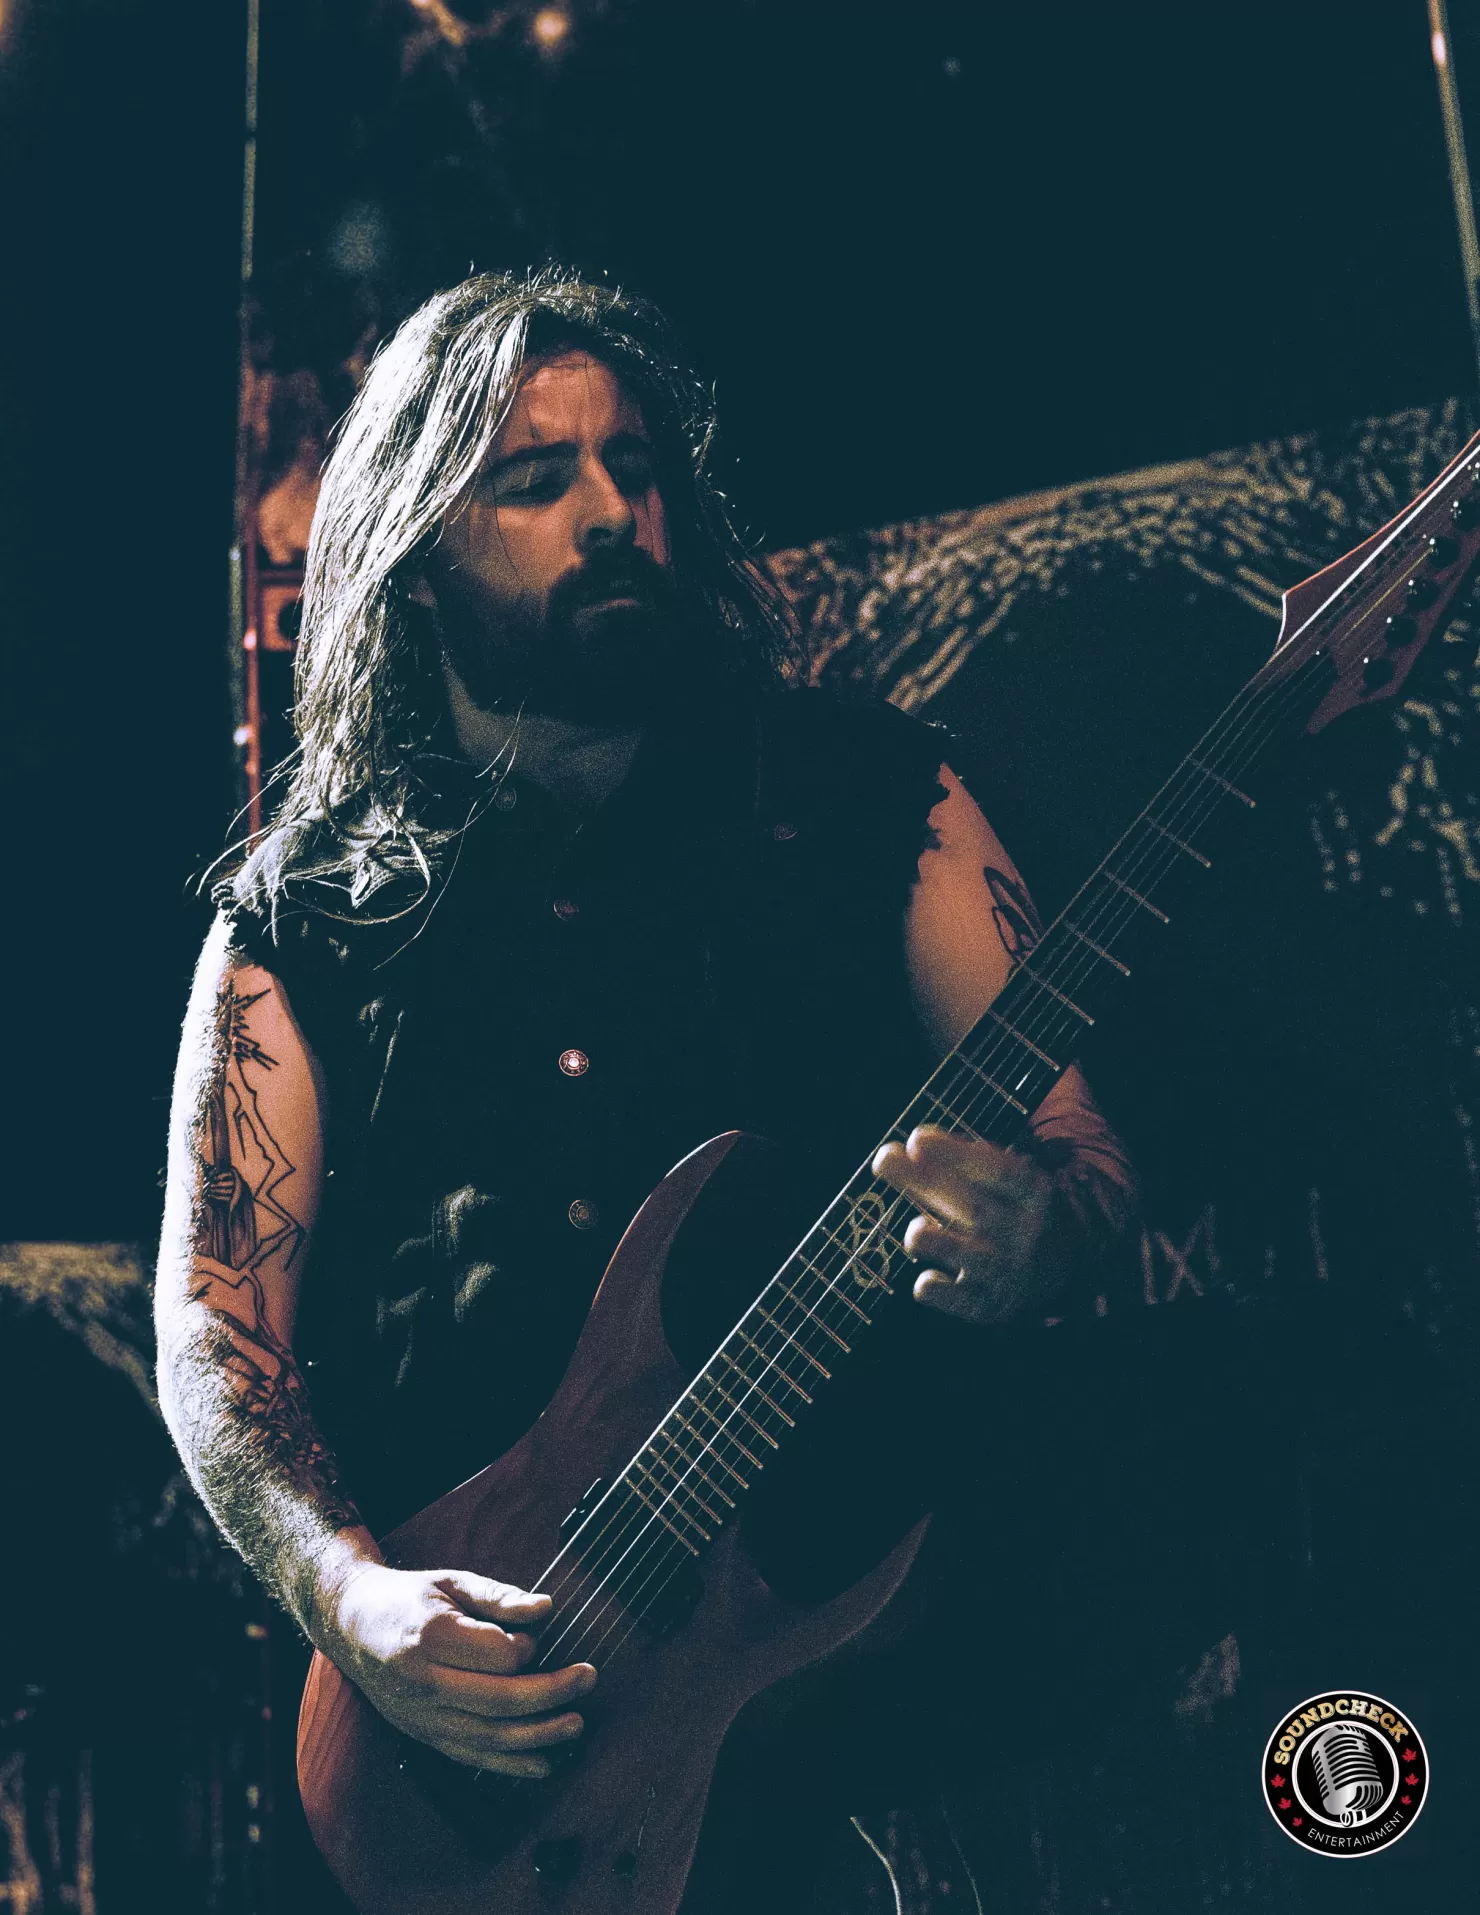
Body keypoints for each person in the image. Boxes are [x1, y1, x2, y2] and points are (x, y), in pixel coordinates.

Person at [154, 268, 1141, 1907]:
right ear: (414, 549)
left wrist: (1046, 1232)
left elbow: (1080, 1144)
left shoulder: (874, 793)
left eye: (633, 466)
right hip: (490, 1754)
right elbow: (214, 1326)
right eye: (535, 480)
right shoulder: (301, 915)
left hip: (865, 1673)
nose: (612, 513)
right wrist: (354, 1601)